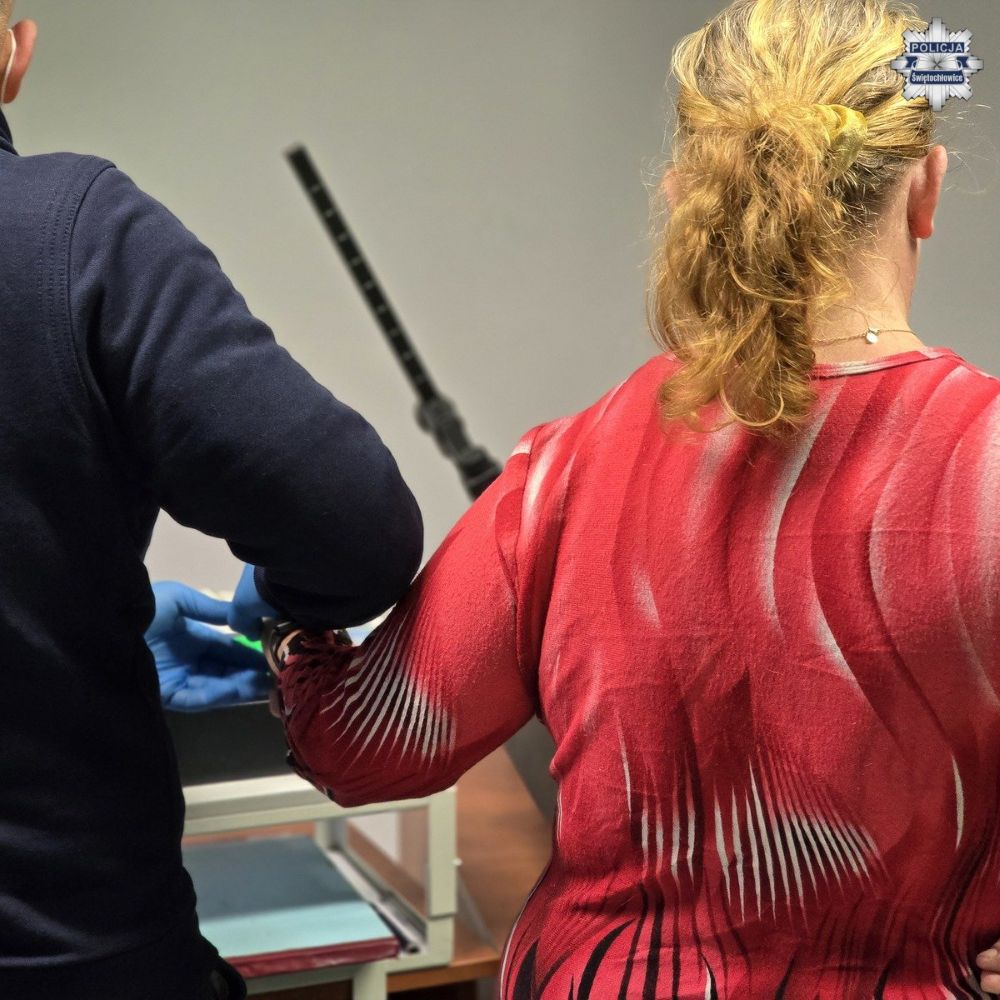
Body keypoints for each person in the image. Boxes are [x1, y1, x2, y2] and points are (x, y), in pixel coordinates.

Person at [246, 0, 1000, 996]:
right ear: (926, 188)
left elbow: (369, 745)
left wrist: (286, 631)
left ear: (690, 194)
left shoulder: (573, 464)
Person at [0, 5, 422, 1000]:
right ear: (13, 51)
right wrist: (281, 605)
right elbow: (356, 530)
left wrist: (88, 626)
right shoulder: (71, 235)